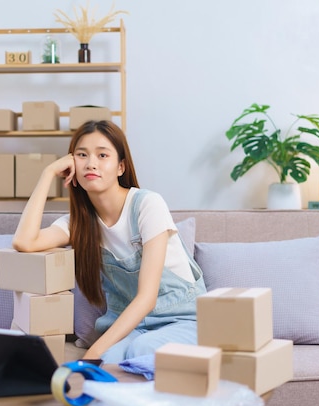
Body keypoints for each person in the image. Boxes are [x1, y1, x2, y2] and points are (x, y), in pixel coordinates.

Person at [13, 120, 206, 364]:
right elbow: (24, 242)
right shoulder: (79, 223)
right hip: (133, 328)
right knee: (111, 359)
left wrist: (90, 357)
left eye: (102, 155)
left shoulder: (147, 205)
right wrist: (47, 173)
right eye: (82, 155)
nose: (91, 163)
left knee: (138, 351)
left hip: (182, 320)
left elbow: (147, 298)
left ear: (120, 167)